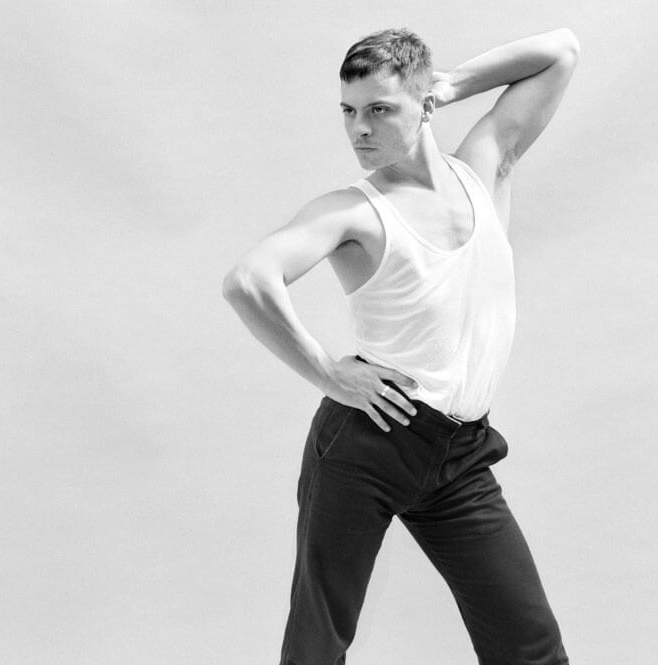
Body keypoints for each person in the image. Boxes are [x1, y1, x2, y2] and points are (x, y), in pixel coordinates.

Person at [223, 26, 579, 665]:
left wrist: (452, 84)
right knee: (318, 643)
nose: (358, 129)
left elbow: (561, 52)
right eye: (348, 111)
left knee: (530, 646)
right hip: (368, 445)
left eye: (379, 109)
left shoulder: (483, 169)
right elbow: (248, 280)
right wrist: (328, 374)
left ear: (424, 105)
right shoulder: (353, 212)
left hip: (460, 455)